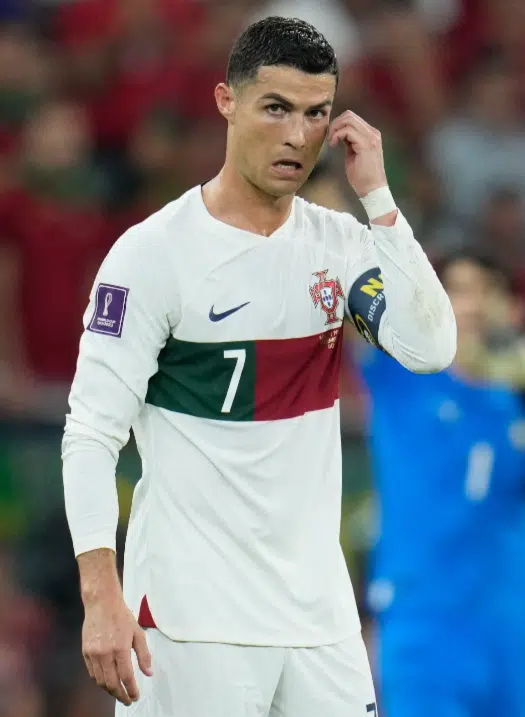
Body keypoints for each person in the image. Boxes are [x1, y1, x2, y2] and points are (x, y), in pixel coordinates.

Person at [62, 16, 456, 717]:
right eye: (275, 108)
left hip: (318, 619)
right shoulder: (153, 255)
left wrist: (380, 202)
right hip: (190, 621)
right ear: (226, 102)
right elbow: (91, 432)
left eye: (315, 114)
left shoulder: (338, 246)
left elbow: (430, 348)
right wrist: (102, 595)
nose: (297, 135)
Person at [357, 250, 525, 717]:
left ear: (510, 309)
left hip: (512, 633)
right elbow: (350, 273)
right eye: (458, 290)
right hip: (425, 630)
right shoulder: (399, 376)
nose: (471, 306)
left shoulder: (513, 402)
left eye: (485, 292)